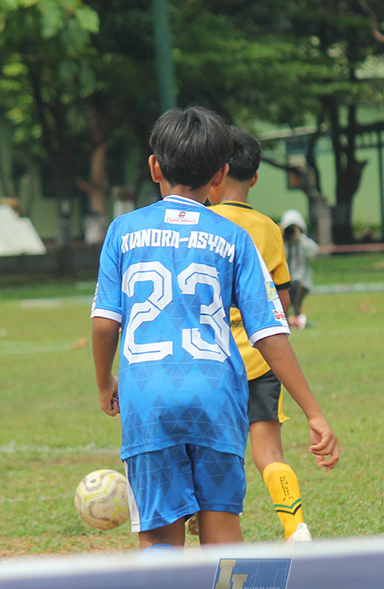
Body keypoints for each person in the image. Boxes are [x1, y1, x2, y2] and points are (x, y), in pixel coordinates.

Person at [90, 106, 339, 552]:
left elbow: (106, 322)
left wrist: (104, 380)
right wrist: (313, 411)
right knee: (223, 532)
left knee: (161, 538)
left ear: (154, 167)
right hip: (216, 394)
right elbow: (269, 332)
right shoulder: (233, 237)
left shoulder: (122, 232)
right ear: (220, 175)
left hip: (148, 396)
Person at [206, 126, 312, 544]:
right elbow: (281, 303)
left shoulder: (203, 222)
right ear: (253, 178)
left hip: (210, 358)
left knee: (211, 451)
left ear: (215, 172)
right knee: (269, 453)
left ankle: (203, 516)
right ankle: (295, 527)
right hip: (261, 356)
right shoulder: (268, 228)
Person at [280, 209, 319, 328]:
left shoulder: (304, 243)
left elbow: (313, 252)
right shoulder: (283, 243)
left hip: (301, 281)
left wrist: (299, 238)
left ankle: (297, 319)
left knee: (297, 297)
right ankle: (292, 320)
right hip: (286, 280)